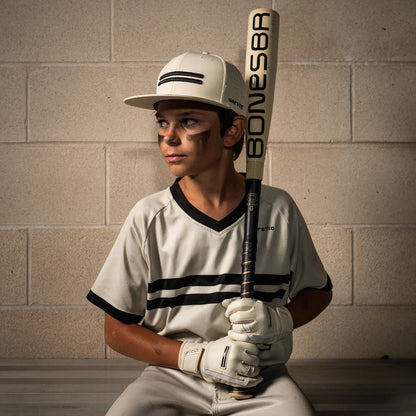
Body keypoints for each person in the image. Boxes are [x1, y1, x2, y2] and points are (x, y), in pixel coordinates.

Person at [87, 51, 333, 415]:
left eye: (187, 121)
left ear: (232, 130)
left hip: (261, 378)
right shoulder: (149, 216)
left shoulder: (277, 209)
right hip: (171, 376)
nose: (168, 138)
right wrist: (196, 356)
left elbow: (317, 292)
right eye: (162, 123)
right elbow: (116, 330)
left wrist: (281, 320)